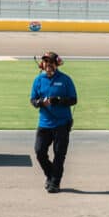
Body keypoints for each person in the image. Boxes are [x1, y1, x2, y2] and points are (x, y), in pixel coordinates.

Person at [30, 51, 77, 193]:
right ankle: (51, 175)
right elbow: (32, 100)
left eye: (51, 62)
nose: (48, 65)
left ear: (56, 64)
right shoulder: (38, 80)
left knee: (59, 154)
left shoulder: (65, 80)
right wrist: (39, 102)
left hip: (62, 123)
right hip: (44, 123)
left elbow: (74, 99)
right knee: (39, 152)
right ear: (42, 64)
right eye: (45, 62)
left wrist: (59, 100)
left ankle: (55, 183)